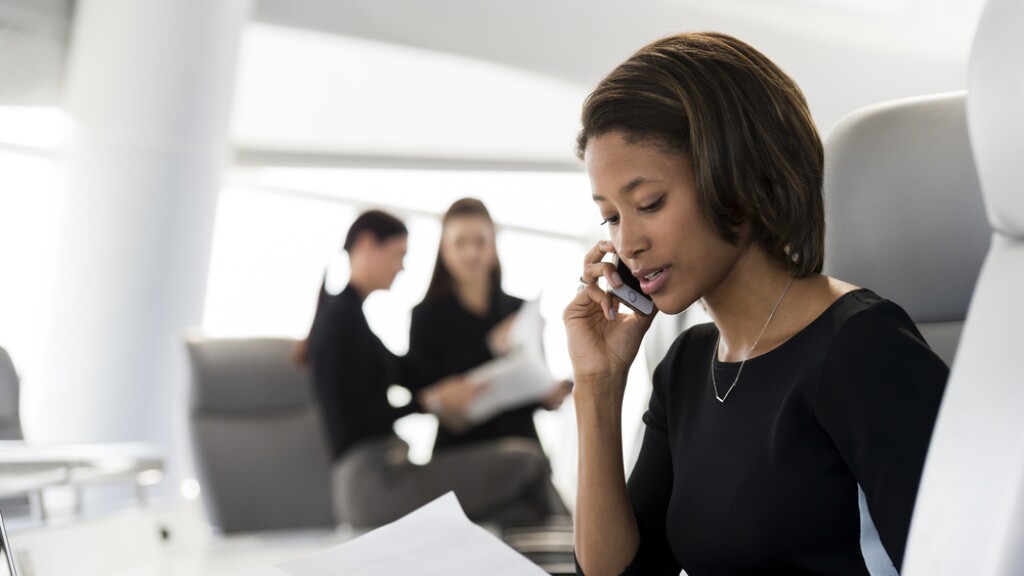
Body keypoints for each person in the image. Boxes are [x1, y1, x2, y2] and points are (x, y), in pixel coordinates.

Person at [565, 32, 948, 575]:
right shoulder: (688, 366)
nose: (626, 245)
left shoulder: (863, 347)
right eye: (610, 217)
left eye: (648, 203)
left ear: (738, 179)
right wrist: (598, 387)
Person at [304, 209, 567, 529]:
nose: (401, 267)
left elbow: (417, 375)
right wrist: (428, 403)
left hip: (386, 470)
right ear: (366, 243)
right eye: (397, 255)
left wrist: (492, 350)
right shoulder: (340, 322)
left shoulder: (354, 319)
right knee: (527, 461)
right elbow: (353, 421)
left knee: (523, 512)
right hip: (372, 483)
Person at [410, 198, 571, 454]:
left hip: (521, 446)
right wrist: (489, 347)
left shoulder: (519, 309)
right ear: (444, 249)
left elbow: (534, 379)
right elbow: (424, 392)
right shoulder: (425, 316)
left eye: (480, 242)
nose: (471, 253)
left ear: (493, 245)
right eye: (460, 243)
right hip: (462, 452)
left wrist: (550, 395)